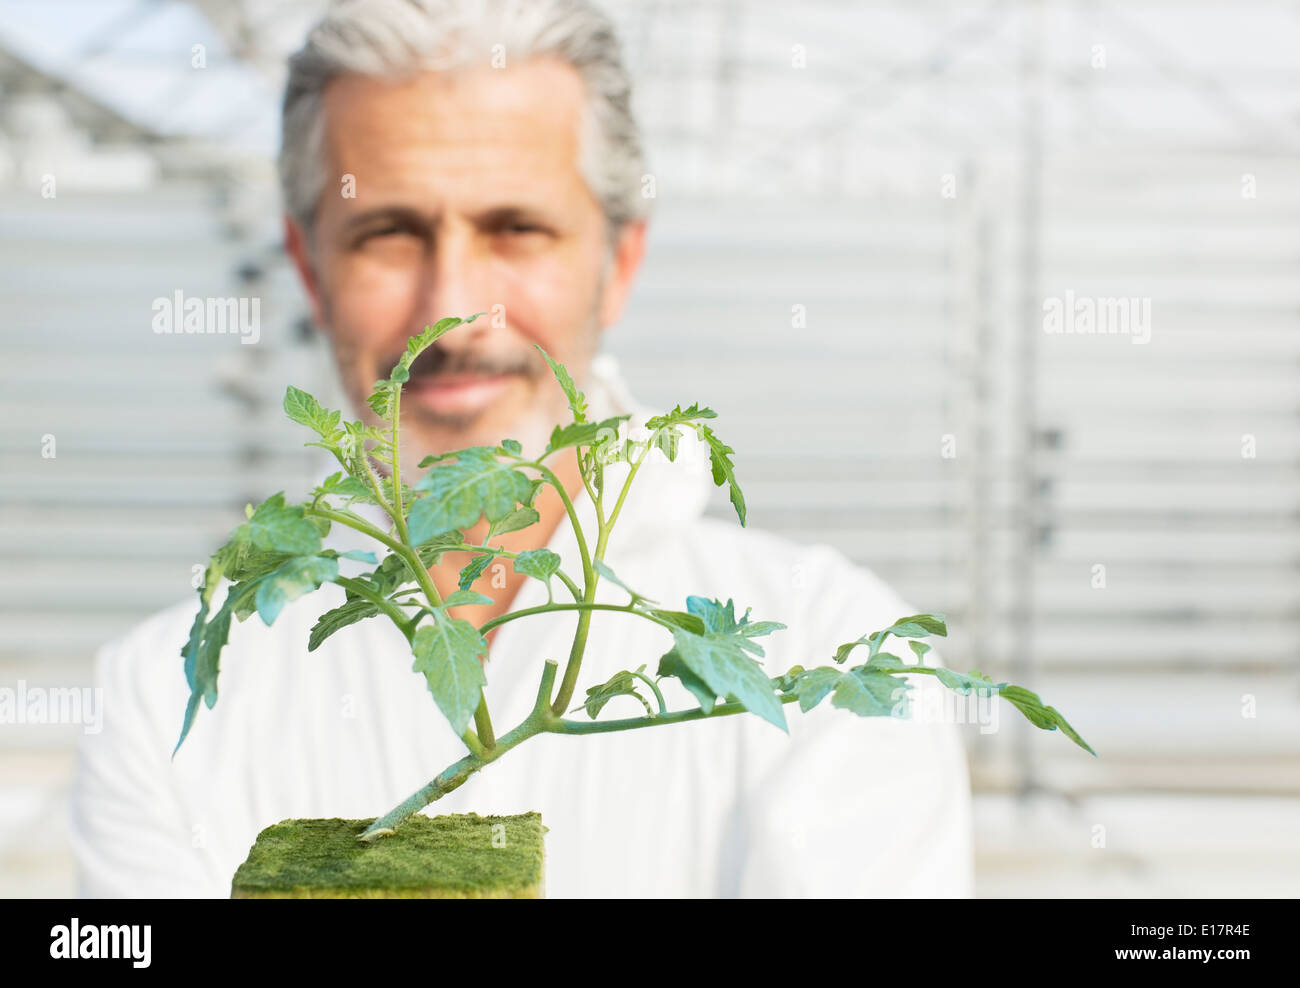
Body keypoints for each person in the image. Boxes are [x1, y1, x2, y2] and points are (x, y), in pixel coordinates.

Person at [69, 0, 974, 897]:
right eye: (388, 233)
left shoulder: (837, 656)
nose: (451, 313)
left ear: (619, 263)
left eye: (515, 229)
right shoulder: (161, 701)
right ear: (309, 268)